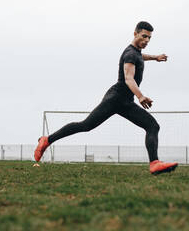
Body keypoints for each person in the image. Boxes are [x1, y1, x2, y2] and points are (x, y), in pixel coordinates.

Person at [35, 21, 178, 175]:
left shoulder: (135, 52)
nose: (146, 40)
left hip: (125, 102)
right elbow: (129, 78)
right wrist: (141, 96)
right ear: (135, 33)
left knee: (152, 126)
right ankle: (47, 140)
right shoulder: (130, 54)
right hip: (115, 99)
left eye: (149, 38)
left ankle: (154, 164)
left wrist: (155, 57)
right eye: (144, 36)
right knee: (86, 125)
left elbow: (140, 56)